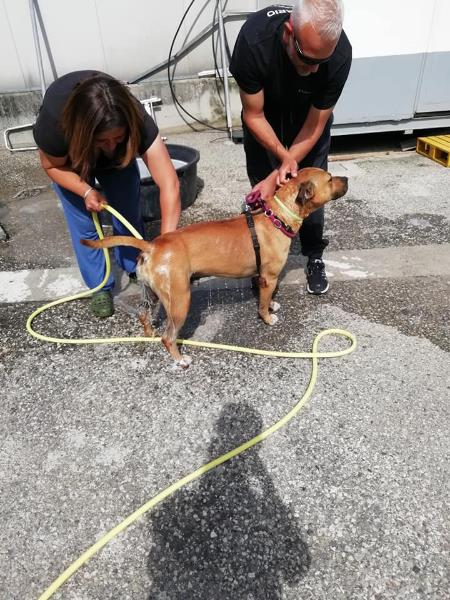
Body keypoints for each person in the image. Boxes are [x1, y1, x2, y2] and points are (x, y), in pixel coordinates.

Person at [33, 71, 180, 317]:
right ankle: (99, 286)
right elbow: (51, 166)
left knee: (127, 210)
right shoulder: (55, 124)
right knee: (85, 222)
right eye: (103, 140)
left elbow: (169, 184)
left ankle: (135, 265)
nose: (111, 146)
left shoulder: (137, 120)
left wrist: (165, 248)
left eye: (118, 137)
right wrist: (86, 190)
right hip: (71, 162)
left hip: (117, 161)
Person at [230, 1, 352, 294]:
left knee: (315, 186)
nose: (313, 69)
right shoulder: (253, 41)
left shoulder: (340, 55)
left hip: (307, 119)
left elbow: (313, 127)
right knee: (264, 184)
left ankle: (314, 254)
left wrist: (283, 168)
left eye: (321, 62)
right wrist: (275, 170)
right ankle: (260, 259)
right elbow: (253, 115)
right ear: (288, 33)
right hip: (264, 117)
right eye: (306, 58)